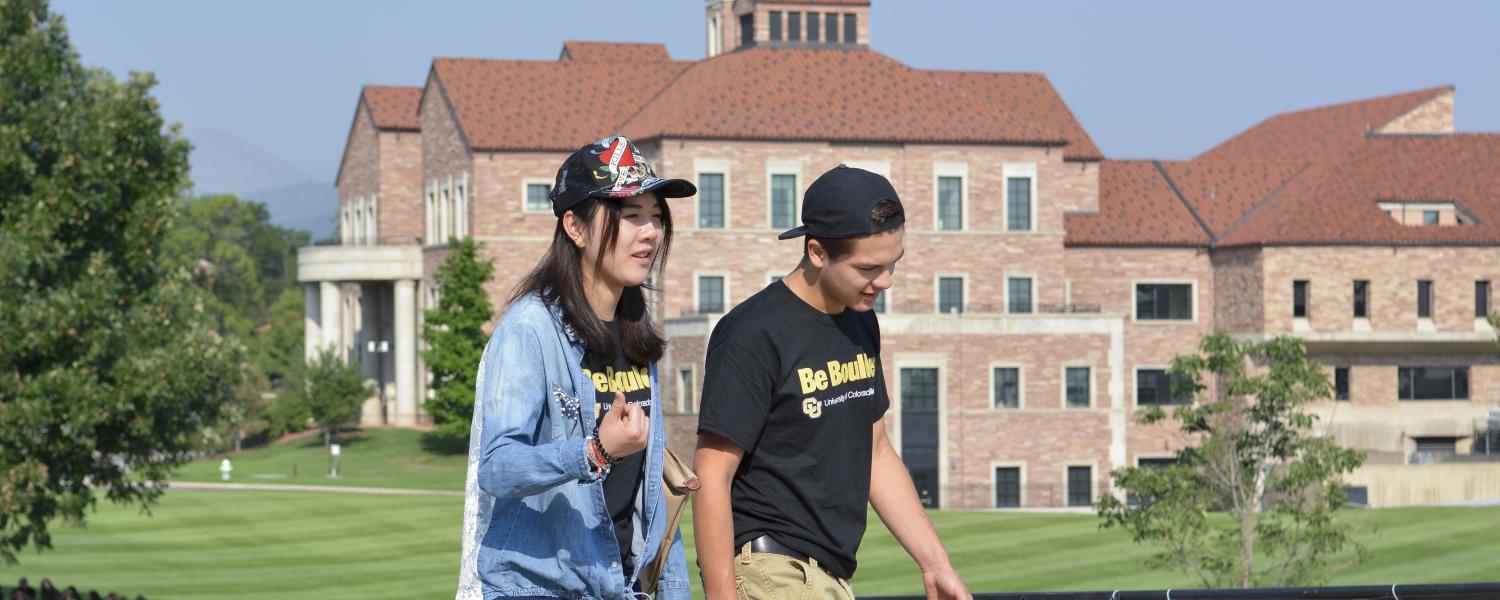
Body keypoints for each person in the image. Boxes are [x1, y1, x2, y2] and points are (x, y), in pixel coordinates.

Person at [693, 166, 973, 600]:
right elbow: (711, 473)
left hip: (827, 578)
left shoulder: (860, 322)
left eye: (892, 264)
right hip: (775, 572)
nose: (885, 282)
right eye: (868, 268)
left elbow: (876, 452)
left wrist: (935, 564)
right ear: (817, 252)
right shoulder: (752, 333)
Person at [457, 135, 696, 600]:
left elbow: (650, 498)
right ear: (576, 227)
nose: (650, 232)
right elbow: (497, 467)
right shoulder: (530, 329)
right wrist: (594, 452)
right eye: (630, 216)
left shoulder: (635, 327)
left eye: (656, 216)